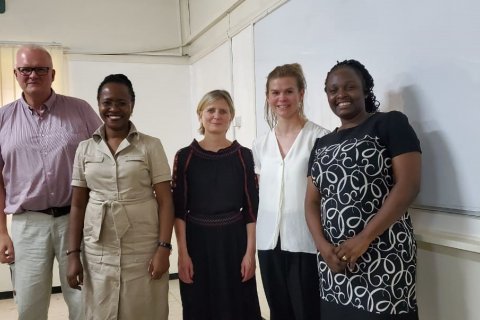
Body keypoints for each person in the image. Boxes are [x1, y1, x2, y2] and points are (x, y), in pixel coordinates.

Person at [305, 59, 421, 320]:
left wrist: (363, 239)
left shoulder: (390, 124)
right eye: (333, 90)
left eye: (350, 87)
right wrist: (323, 248)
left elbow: (409, 185)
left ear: (366, 90)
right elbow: (311, 202)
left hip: (384, 257)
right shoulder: (321, 143)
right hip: (334, 264)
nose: (341, 95)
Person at [0, 45, 102, 320]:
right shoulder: (2, 119)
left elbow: (103, 159)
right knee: (30, 304)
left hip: (76, 219)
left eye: (41, 68)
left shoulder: (80, 110)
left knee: (83, 301)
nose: (33, 74)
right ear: (16, 74)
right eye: (26, 69)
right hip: (27, 224)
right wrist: (1, 232)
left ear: (53, 73)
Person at [66, 74, 174, 319]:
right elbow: (78, 204)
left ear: (132, 105)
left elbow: (166, 200)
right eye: (107, 102)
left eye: (121, 103)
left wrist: (164, 249)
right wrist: (73, 254)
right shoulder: (85, 149)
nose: (114, 109)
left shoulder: (150, 145)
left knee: (144, 308)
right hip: (98, 247)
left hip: (143, 246)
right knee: (101, 310)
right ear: (98, 104)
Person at [172, 90, 262, 320]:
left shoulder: (244, 156)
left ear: (231, 116)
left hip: (234, 243)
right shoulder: (184, 157)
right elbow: (179, 211)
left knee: (239, 306)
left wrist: (250, 254)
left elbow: (251, 210)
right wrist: (183, 254)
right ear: (200, 114)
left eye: (223, 111)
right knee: (199, 306)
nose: (216, 115)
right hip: (197, 244)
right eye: (211, 110)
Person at [252, 63, 329, 320]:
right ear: (267, 96)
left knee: (307, 311)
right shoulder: (260, 144)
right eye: (275, 93)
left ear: (301, 94)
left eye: (288, 91)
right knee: (279, 311)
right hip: (268, 242)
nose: (281, 98)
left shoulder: (320, 138)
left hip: (305, 241)